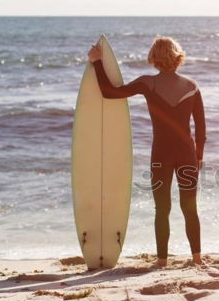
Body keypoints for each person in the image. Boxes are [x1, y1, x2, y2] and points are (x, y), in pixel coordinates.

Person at [87, 36, 205, 266]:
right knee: (190, 208)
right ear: (178, 57)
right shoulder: (192, 87)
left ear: (153, 58)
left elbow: (109, 92)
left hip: (161, 154)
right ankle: (197, 259)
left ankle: (162, 261)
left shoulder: (146, 83)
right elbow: (200, 129)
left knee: (162, 209)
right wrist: (198, 156)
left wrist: (98, 62)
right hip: (187, 155)